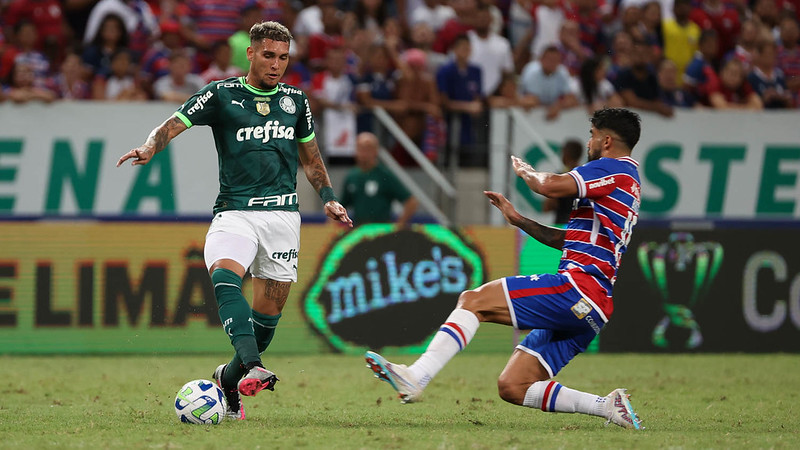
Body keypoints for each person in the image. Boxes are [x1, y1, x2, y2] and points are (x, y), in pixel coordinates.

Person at [116, 21, 352, 420]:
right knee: (225, 276)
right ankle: (253, 366)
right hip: (235, 212)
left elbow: (311, 160)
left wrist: (328, 198)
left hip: (283, 217)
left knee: (268, 317)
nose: (276, 64)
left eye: (283, 57)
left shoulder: (296, 100)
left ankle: (228, 379)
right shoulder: (222, 94)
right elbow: (172, 123)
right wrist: (150, 146)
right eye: (268, 55)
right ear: (251, 53)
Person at [365, 107, 644, 430]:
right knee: (513, 385)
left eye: (593, 135)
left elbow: (549, 186)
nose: (589, 141)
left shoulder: (612, 169)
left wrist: (527, 173)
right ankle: (607, 406)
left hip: (578, 288)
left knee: (474, 300)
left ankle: (417, 376)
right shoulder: (625, 183)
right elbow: (567, 239)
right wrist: (519, 220)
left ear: (607, 140)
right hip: (594, 306)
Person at [340, 132, 419, 226]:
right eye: (360, 148)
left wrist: (399, 225)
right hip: (359, 230)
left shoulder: (384, 175)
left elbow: (411, 202)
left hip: (380, 231)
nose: (363, 153)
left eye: (367, 148)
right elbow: (341, 206)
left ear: (375, 151)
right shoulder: (352, 176)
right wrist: (330, 226)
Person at [542, 139, 583, 225]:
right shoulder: (585, 176)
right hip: (580, 225)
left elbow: (548, 207)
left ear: (566, 154)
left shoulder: (560, 177)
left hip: (562, 225)